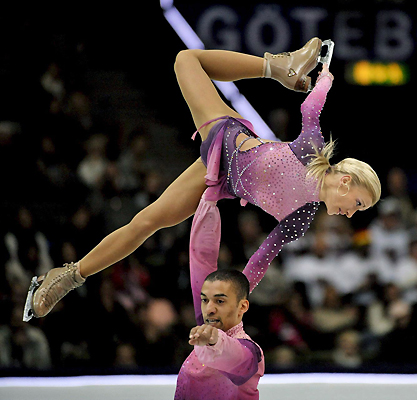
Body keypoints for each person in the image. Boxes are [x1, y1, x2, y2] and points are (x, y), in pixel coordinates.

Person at [24, 37, 381, 321]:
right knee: (185, 60)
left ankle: (67, 276)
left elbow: (260, 258)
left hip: (220, 182)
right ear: (347, 182)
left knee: (145, 223)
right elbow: (310, 110)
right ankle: (277, 67)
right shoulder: (311, 151)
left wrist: (233, 305)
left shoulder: (302, 217)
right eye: (359, 205)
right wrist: (326, 81)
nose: (352, 214)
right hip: (225, 139)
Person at [178, 269, 263, 400]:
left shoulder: (250, 351)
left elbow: (234, 354)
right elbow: (201, 258)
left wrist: (215, 340)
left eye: (220, 301)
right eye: (204, 300)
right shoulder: (203, 337)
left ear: (242, 307)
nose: (209, 310)